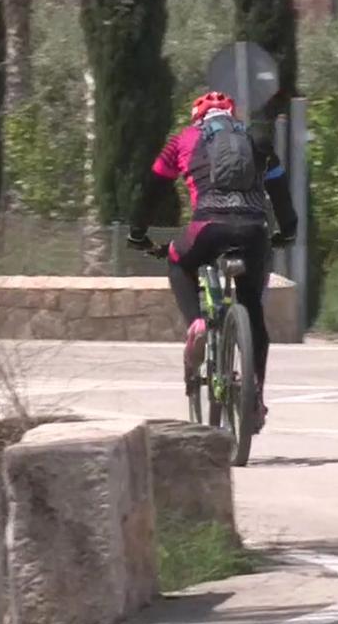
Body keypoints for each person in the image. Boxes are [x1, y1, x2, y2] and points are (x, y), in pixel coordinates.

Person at [127, 91, 297, 432]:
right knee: (252, 310)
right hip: (253, 232)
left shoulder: (182, 141)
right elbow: (280, 193)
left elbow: (152, 189)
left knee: (177, 261)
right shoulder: (257, 141)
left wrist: (138, 233)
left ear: (197, 117)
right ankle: (254, 397)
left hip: (207, 228)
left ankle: (197, 325)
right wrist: (287, 232)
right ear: (232, 116)